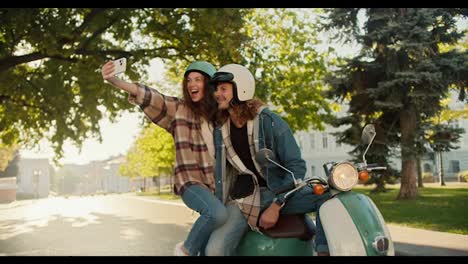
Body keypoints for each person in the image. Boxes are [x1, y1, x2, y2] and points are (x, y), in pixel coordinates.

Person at [101, 60, 228, 256]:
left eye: (198, 80)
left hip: (216, 186)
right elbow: (149, 96)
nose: (192, 84)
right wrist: (114, 80)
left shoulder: (220, 118)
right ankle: (185, 250)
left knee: (211, 242)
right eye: (188, 80)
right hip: (191, 182)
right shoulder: (179, 109)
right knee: (217, 214)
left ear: (210, 84)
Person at [204, 64, 331, 256]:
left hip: (282, 192)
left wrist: (276, 205)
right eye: (216, 89)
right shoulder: (220, 130)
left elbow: (295, 166)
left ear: (241, 89)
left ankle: (322, 252)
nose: (217, 94)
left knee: (328, 195)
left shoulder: (270, 122)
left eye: (223, 89)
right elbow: (223, 173)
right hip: (245, 197)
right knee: (214, 250)